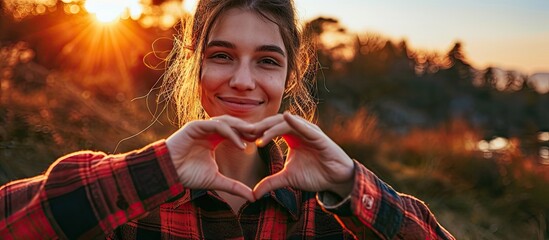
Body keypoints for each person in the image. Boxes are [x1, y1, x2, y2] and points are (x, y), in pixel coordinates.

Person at [0, 0, 455, 239]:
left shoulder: (329, 216)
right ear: (194, 63)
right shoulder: (132, 210)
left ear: (289, 76)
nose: (242, 80)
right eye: (222, 56)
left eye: (267, 61)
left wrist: (348, 184)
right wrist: (152, 172)